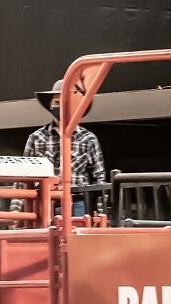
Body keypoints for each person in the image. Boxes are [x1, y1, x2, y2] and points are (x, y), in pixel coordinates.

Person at [18, 79, 106, 216]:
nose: (60, 107)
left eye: (65, 102)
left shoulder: (88, 139)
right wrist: (16, 210)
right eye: (56, 102)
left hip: (77, 200)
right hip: (45, 200)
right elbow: (23, 176)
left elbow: (99, 177)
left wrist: (102, 211)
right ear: (50, 105)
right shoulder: (36, 138)